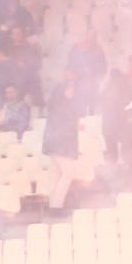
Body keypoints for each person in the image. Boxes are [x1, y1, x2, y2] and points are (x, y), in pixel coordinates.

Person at [43, 80, 84, 209]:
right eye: (69, 89)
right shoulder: (63, 106)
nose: (72, 91)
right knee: (67, 174)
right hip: (61, 146)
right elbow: (64, 127)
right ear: (63, 91)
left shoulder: (56, 105)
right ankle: (56, 206)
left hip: (54, 145)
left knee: (58, 176)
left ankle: (54, 205)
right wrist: (76, 126)